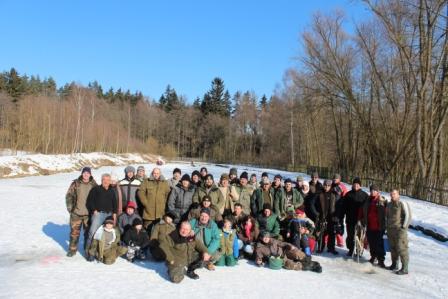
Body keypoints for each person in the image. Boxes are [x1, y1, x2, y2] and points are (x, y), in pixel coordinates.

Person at [65, 167, 97, 257]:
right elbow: (68, 196)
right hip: (76, 214)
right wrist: (70, 209)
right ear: (82, 174)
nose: (86, 175)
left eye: (88, 173)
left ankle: (86, 249)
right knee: (74, 233)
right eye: (84, 173)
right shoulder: (75, 183)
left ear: (90, 174)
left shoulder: (93, 184)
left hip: (88, 214)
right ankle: (72, 250)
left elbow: (98, 197)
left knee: (88, 234)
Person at [254, 231, 322, 272]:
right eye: (264, 237)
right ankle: (311, 266)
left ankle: (306, 258)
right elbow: (258, 256)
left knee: (295, 251)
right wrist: (259, 261)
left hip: (284, 252)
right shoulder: (259, 247)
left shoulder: (273, 240)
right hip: (279, 259)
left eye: (267, 237)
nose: (266, 238)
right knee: (291, 265)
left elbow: (282, 243)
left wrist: (289, 246)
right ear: (261, 238)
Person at [85, 173, 117, 252]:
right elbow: (89, 201)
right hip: (98, 214)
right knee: (92, 232)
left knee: (106, 233)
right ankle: (88, 251)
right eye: (104, 180)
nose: (106, 181)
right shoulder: (95, 189)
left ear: (110, 181)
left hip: (109, 215)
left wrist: (114, 214)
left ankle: (101, 251)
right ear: (101, 180)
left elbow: (114, 203)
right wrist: (94, 210)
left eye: (108, 180)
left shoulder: (112, 191)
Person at [358, 185, 386, 267]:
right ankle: (373, 256)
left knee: (379, 244)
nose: (373, 192)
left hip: (379, 227)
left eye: (375, 190)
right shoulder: (368, 200)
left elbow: (387, 211)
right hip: (370, 226)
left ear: (378, 191)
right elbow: (362, 210)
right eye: (371, 190)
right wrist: (360, 219)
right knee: (372, 243)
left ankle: (381, 260)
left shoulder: (382, 200)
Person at [386, 189, 412, 275]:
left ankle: (405, 268)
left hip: (399, 231)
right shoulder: (389, 205)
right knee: (393, 248)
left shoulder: (402, 204)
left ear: (398, 195)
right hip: (390, 230)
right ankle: (394, 264)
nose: (392, 195)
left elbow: (408, 216)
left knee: (402, 248)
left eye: (394, 194)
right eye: (391, 194)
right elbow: (387, 217)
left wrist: (403, 228)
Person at [342, 177, 369, 256]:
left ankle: (358, 251)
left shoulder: (365, 195)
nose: (356, 186)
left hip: (360, 220)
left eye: (357, 184)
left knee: (359, 236)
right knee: (350, 236)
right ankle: (351, 249)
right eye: (354, 184)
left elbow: (367, 208)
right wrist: (342, 215)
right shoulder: (348, 194)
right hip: (350, 219)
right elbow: (344, 207)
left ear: (360, 185)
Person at [316, 179, 339, 254]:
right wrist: (317, 213)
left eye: (328, 185)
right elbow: (314, 204)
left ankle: (331, 248)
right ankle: (320, 247)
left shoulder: (334, 194)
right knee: (322, 233)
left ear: (330, 186)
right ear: (323, 185)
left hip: (331, 216)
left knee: (332, 233)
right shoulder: (319, 193)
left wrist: (336, 215)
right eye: (325, 185)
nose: (326, 187)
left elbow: (339, 205)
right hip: (322, 216)